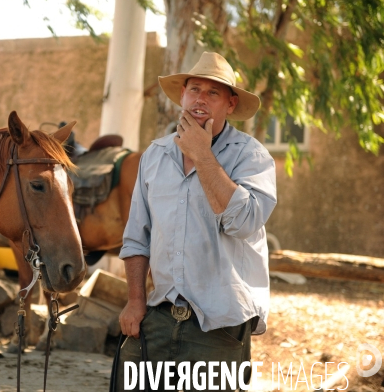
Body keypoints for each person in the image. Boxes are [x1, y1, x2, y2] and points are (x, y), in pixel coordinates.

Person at [115, 52, 277, 391]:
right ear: (183, 96)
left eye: (212, 93)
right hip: (158, 317)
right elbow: (136, 237)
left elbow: (244, 221)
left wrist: (203, 154)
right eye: (194, 90)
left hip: (220, 326)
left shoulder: (252, 156)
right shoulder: (155, 155)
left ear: (230, 105)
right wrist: (134, 300)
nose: (200, 99)